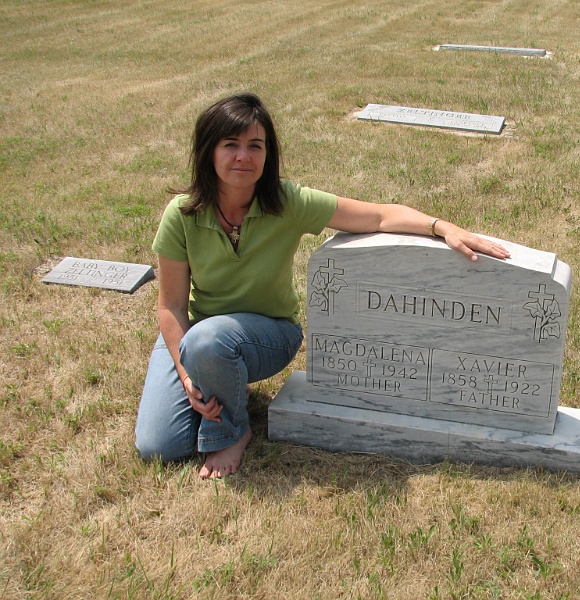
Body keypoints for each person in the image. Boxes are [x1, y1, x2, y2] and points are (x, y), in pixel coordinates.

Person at [134, 92, 510, 479]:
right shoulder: (181, 215)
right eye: (230, 145)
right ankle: (219, 376)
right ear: (208, 152)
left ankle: (231, 431)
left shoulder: (287, 202)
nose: (243, 157)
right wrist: (185, 373)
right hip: (195, 338)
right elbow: (172, 307)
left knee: (210, 341)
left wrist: (442, 227)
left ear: (268, 154)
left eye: (255, 146)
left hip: (269, 334)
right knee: (160, 447)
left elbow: (379, 216)